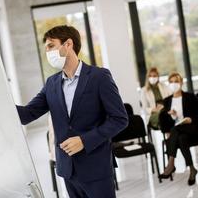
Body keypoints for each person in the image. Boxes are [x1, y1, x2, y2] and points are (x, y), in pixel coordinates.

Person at [16, 25, 128, 198]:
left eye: (51, 45)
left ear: (68, 44)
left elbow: (119, 119)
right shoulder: (51, 83)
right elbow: (27, 114)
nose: (47, 51)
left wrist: (84, 140)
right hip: (68, 170)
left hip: (96, 168)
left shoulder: (99, 77)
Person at [158, 72, 198, 186]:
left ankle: (170, 164)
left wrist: (191, 119)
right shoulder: (167, 100)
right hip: (179, 133)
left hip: (193, 129)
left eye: (176, 81)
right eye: (171, 82)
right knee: (181, 138)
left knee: (176, 130)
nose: (174, 84)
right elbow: (163, 120)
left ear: (181, 83)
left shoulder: (190, 97)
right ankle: (192, 169)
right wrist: (172, 116)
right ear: (169, 84)